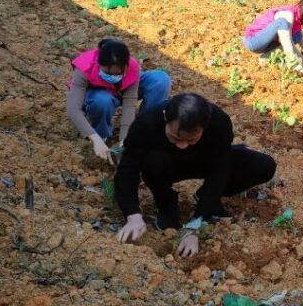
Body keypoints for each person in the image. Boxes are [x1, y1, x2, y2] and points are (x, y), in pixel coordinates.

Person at [114, 93, 277, 257]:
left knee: (263, 165)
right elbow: (127, 169)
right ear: (165, 117)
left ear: (204, 126)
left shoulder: (219, 122)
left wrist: (196, 224)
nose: (182, 145)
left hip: (203, 161)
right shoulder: (146, 123)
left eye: (191, 139)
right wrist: (132, 213)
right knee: (152, 161)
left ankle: (206, 200)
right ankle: (167, 205)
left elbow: (220, 171)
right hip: (165, 165)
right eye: (175, 137)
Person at [66, 39, 171, 165]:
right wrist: (95, 138)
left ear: (126, 66)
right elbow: (73, 109)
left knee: (160, 79)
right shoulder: (85, 66)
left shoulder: (132, 68)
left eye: (118, 74)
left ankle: (143, 130)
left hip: (120, 91)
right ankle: (101, 134)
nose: (113, 76)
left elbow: (129, 104)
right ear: (99, 64)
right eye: (107, 73)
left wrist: (125, 140)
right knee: (102, 100)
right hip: (97, 95)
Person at [243, 0, 303, 74]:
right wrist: (302, 61)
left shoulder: (298, 20)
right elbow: (287, 41)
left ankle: (265, 58)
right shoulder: (288, 15)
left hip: (268, 42)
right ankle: (293, 64)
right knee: (282, 23)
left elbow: (302, 42)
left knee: (298, 35)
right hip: (254, 41)